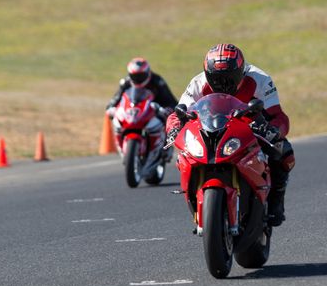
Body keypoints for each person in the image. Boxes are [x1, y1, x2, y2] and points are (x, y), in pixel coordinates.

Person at [166, 44, 295, 227]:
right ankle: (194, 196)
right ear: (207, 73)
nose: (223, 84)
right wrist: (173, 128)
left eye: (228, 78)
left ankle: (276, 201)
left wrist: (273, 130)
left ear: (241, 71)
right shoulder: (197, 83)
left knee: (284, 151)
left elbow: (278, 116)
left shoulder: (260, 79)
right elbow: (177, 113)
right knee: (184, 155)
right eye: (216, 78)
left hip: (248, 127)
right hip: (210, 127)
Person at [106, 57, 178, 161]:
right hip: (135, 111)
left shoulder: (157, 81)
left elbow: (171, 100)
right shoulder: (126, 82)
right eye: (134, 76)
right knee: (118, 121)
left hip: (155, 110)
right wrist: (110, 107)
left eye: (140, 76)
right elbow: (116, 98)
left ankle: (165, 146)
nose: (137, 79)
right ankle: (123, 147)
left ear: (147, 73)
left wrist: (168, 109)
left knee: (164, 119)